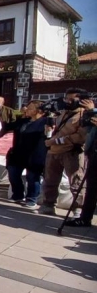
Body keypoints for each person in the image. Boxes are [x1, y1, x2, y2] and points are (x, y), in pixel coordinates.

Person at [41, 88, 90, 217]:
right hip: (54, 151)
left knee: (76, 181)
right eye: (66, 99)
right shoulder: (63, 113)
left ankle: (78, 208)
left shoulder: (84, 115)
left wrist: (56, 141)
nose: (68, 102)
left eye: (71, 99)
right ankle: (48, 204)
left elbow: (81, 136)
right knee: (50, 180)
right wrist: (51, 132)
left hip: (72, 151)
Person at [2, 100, 50, 210]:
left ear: (39, 111)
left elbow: (48, 135)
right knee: (13, 173)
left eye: (30, 108)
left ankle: (32, 198)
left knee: (32, 177)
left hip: (35, 154)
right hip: (18, 153)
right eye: (27, 107)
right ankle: (18, 194)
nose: (27, 109)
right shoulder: (23, 121)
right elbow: (7, 126)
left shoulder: (45, 122)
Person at [65, 99, 96, 227]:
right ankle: (85, 218)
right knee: (92, 188)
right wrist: (89, 114)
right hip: (94, 152)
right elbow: (87, 127)